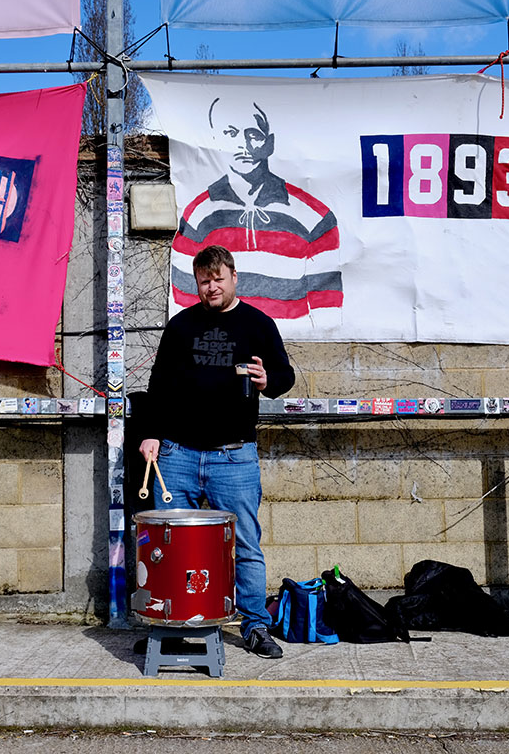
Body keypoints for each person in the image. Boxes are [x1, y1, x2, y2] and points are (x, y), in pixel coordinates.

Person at [140, 244, 295, 658]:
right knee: (169, 545)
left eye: (218, 279)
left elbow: (285, 376)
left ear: (233, 277)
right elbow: (158, 386)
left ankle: (255, 626)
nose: (211, 287)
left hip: (234, 456)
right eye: (204, 280)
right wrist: (151, 434)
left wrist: (267, 381)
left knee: (245, 544)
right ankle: (170, 625)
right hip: (177, 454)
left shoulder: (257, 324)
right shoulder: (180, 326)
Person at [170, 96, 342, 332]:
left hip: (286, 345)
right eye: (231, 134)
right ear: (215, 142)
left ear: (269, 143)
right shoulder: (198, 215)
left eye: (254, 134)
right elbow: (184, 303)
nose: (244, 145)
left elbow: (327, 312)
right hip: (215, 346)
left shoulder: (315, 217)